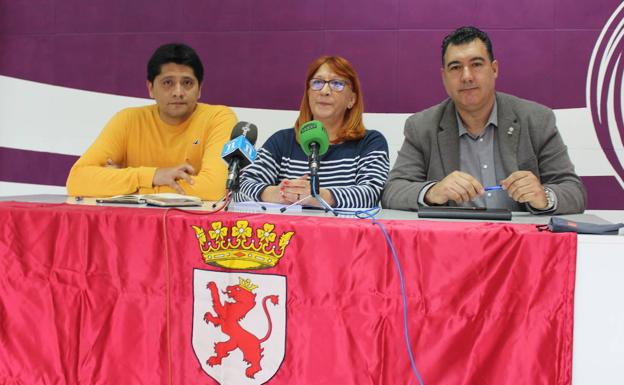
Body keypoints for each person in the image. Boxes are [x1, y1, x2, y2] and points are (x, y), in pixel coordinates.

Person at [382, 26, 586, 214]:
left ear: (494, 69)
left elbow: (574, 192)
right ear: (444, 77)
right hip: (451, 243)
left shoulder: (536, 120)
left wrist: (544, 197)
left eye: (476, 64)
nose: (467, 76)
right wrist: (432, 192)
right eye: (455, 68)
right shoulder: (422, 126)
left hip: (520, 244)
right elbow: (393, 190)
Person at [66, 43, 236, 200]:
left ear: (199, 89)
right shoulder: (128, 120)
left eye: (187, 83)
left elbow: (213, 190)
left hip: (192, 227)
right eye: (168, 83)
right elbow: (76, 181)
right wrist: (153, 175)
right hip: (134, 226)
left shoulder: (218, 119)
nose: (178, 92)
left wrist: (125, 185)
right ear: (150, 88)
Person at [237, 55, 389, 208]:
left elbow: (371, 194)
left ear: (352, 99)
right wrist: (277, 193)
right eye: (317, 83)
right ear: (308, 93)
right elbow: (238, 189)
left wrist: (318, 196)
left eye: (336, 84)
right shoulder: (282, 141)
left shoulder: (370, 143)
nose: (324, 91)